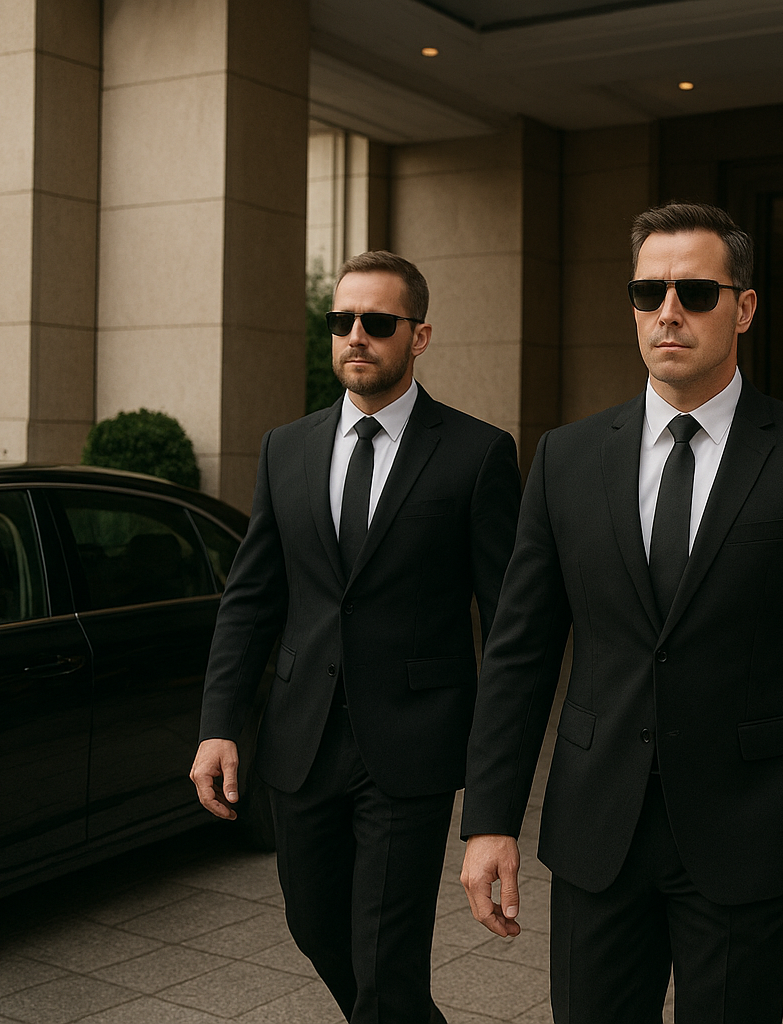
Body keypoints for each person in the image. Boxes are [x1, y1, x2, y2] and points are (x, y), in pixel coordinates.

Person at [458, 202, 783, 1023]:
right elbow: (518, 653)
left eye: (696, 292)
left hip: (749, 832)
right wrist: (488, 820)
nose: (668, 312)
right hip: (597, 830)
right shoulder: (565, 458)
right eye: (648, 292)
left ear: (745, 307)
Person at [189, 251, 521, 1024]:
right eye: (342, 321)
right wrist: (218, 724)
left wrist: (495, 781)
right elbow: (250, 599)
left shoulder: (477, 454)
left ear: (419, 335)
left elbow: (509, 623)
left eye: (378, 321)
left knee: (384, 958)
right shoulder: (286, 448)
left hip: (411, 745)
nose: (356, 336)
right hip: (301, 738)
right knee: (316, 928)